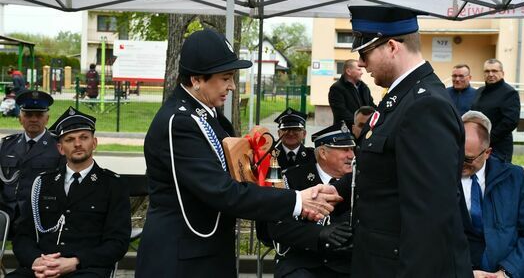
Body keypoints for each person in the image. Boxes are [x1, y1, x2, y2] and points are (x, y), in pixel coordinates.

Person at [135, 28, 341, 278]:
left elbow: (240, 180)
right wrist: (297, 201)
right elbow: (222, 191)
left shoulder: (211, 117)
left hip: (209, 249)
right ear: (196, 79)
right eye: (225, 77)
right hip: (181, 257)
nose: (232, 86)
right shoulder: (178, 122)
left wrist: (292, 196)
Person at [330, 6, 472, 277]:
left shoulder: (425, 106)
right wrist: (336, 190)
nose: (361, 63)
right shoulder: (401, 98)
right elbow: (387, 173)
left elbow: (429, 217)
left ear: (392, 46)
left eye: (365, 53)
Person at [7, 106, 131, 278]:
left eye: (84, 138)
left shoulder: (112, 185)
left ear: (94, 143)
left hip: (86, 268)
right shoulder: (43, 183)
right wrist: (36, 261)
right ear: (60, 148)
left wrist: (75, 262)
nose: (78, 144)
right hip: (43, 266)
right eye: (70, 139)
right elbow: (23, 235)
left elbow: (117, 242)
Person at [460, 110, 524, 278]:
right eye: (457, 154)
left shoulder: (514, 178)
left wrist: (507, 272)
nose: (460, 163)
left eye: (468, 159)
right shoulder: (441, 179)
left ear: (487, 153)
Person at [268, 122, 355, 278]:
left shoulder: (358, 182)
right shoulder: (292, 178)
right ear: (323, 153)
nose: (352, 155)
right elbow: (279, 227)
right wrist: (319, 234)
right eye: (344, 150)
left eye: (352, 149)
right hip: (303, 262)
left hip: (347, 264)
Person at [0, 90, 63, 231]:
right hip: (6, 213)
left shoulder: (59, 146)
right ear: (20, 118)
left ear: (47, 119)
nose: (34, 119)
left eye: (39, 115)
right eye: (28, 115)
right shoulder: (6, 145)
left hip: (40, 215)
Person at [471, 59, 520, 162]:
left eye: (494, 71)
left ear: (502, 73)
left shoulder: (509, 93)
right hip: (478, 146)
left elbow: (510, 122)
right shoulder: (479, 91)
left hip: (499, 149)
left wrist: (488, 139)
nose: (490, 74)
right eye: (487, 71)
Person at [328, 59, 376, 127]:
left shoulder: (364, 87)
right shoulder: (336, 88)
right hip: (346, 133)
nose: (362, 72)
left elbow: (371, 106)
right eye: (359, 69)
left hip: (364, 131)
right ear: (348, 71)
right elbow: (341, 113)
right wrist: (361, 124)